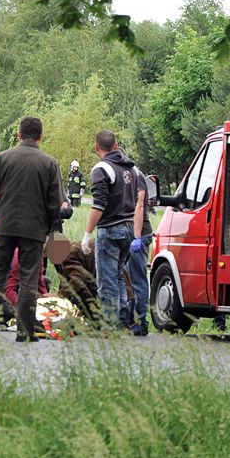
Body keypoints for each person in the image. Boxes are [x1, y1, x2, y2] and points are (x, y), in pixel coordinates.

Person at [0, 116, 63, 342]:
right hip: (34, 231)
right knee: (28, 281)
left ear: (19, 134)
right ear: (40, 136)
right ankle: (25, 332)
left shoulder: (3, 158)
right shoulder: (49, 163)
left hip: (4, 227)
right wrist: (46, 226)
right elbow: (55, 203)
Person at [81, 130, 140, 332]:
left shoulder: (102, 169)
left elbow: (99, 204)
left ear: (96, 147)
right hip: (129, 229)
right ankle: (123, 322)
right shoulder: (132, 169)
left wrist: (87, 234)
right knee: (118, 276)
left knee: (107, 282)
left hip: (111, 230)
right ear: (115, 145)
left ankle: (109, 326)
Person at [126, 168, 153, 336]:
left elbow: (139, 205)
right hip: (130, 234)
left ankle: (140, 322)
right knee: (129, 280)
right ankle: (130, 320)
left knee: (137, 280)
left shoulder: (135, 175)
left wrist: (136, 236)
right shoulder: (127, 173)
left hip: (139, 235)